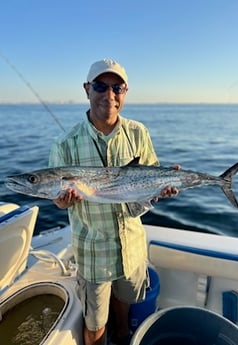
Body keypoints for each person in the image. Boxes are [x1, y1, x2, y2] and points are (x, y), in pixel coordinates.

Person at [49, 58, 178, 345]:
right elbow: (59, 203)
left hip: (131, 246)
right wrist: (63, 202)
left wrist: (163, 186)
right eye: (100, 86)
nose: (109, 94)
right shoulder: (64, 144)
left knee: (124, 304)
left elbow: (152, 177)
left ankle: (122, 334)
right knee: (95, 325)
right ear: (87, 89)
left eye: (117, 87)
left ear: (125, 91)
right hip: (93, 251)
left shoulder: (138, 132)